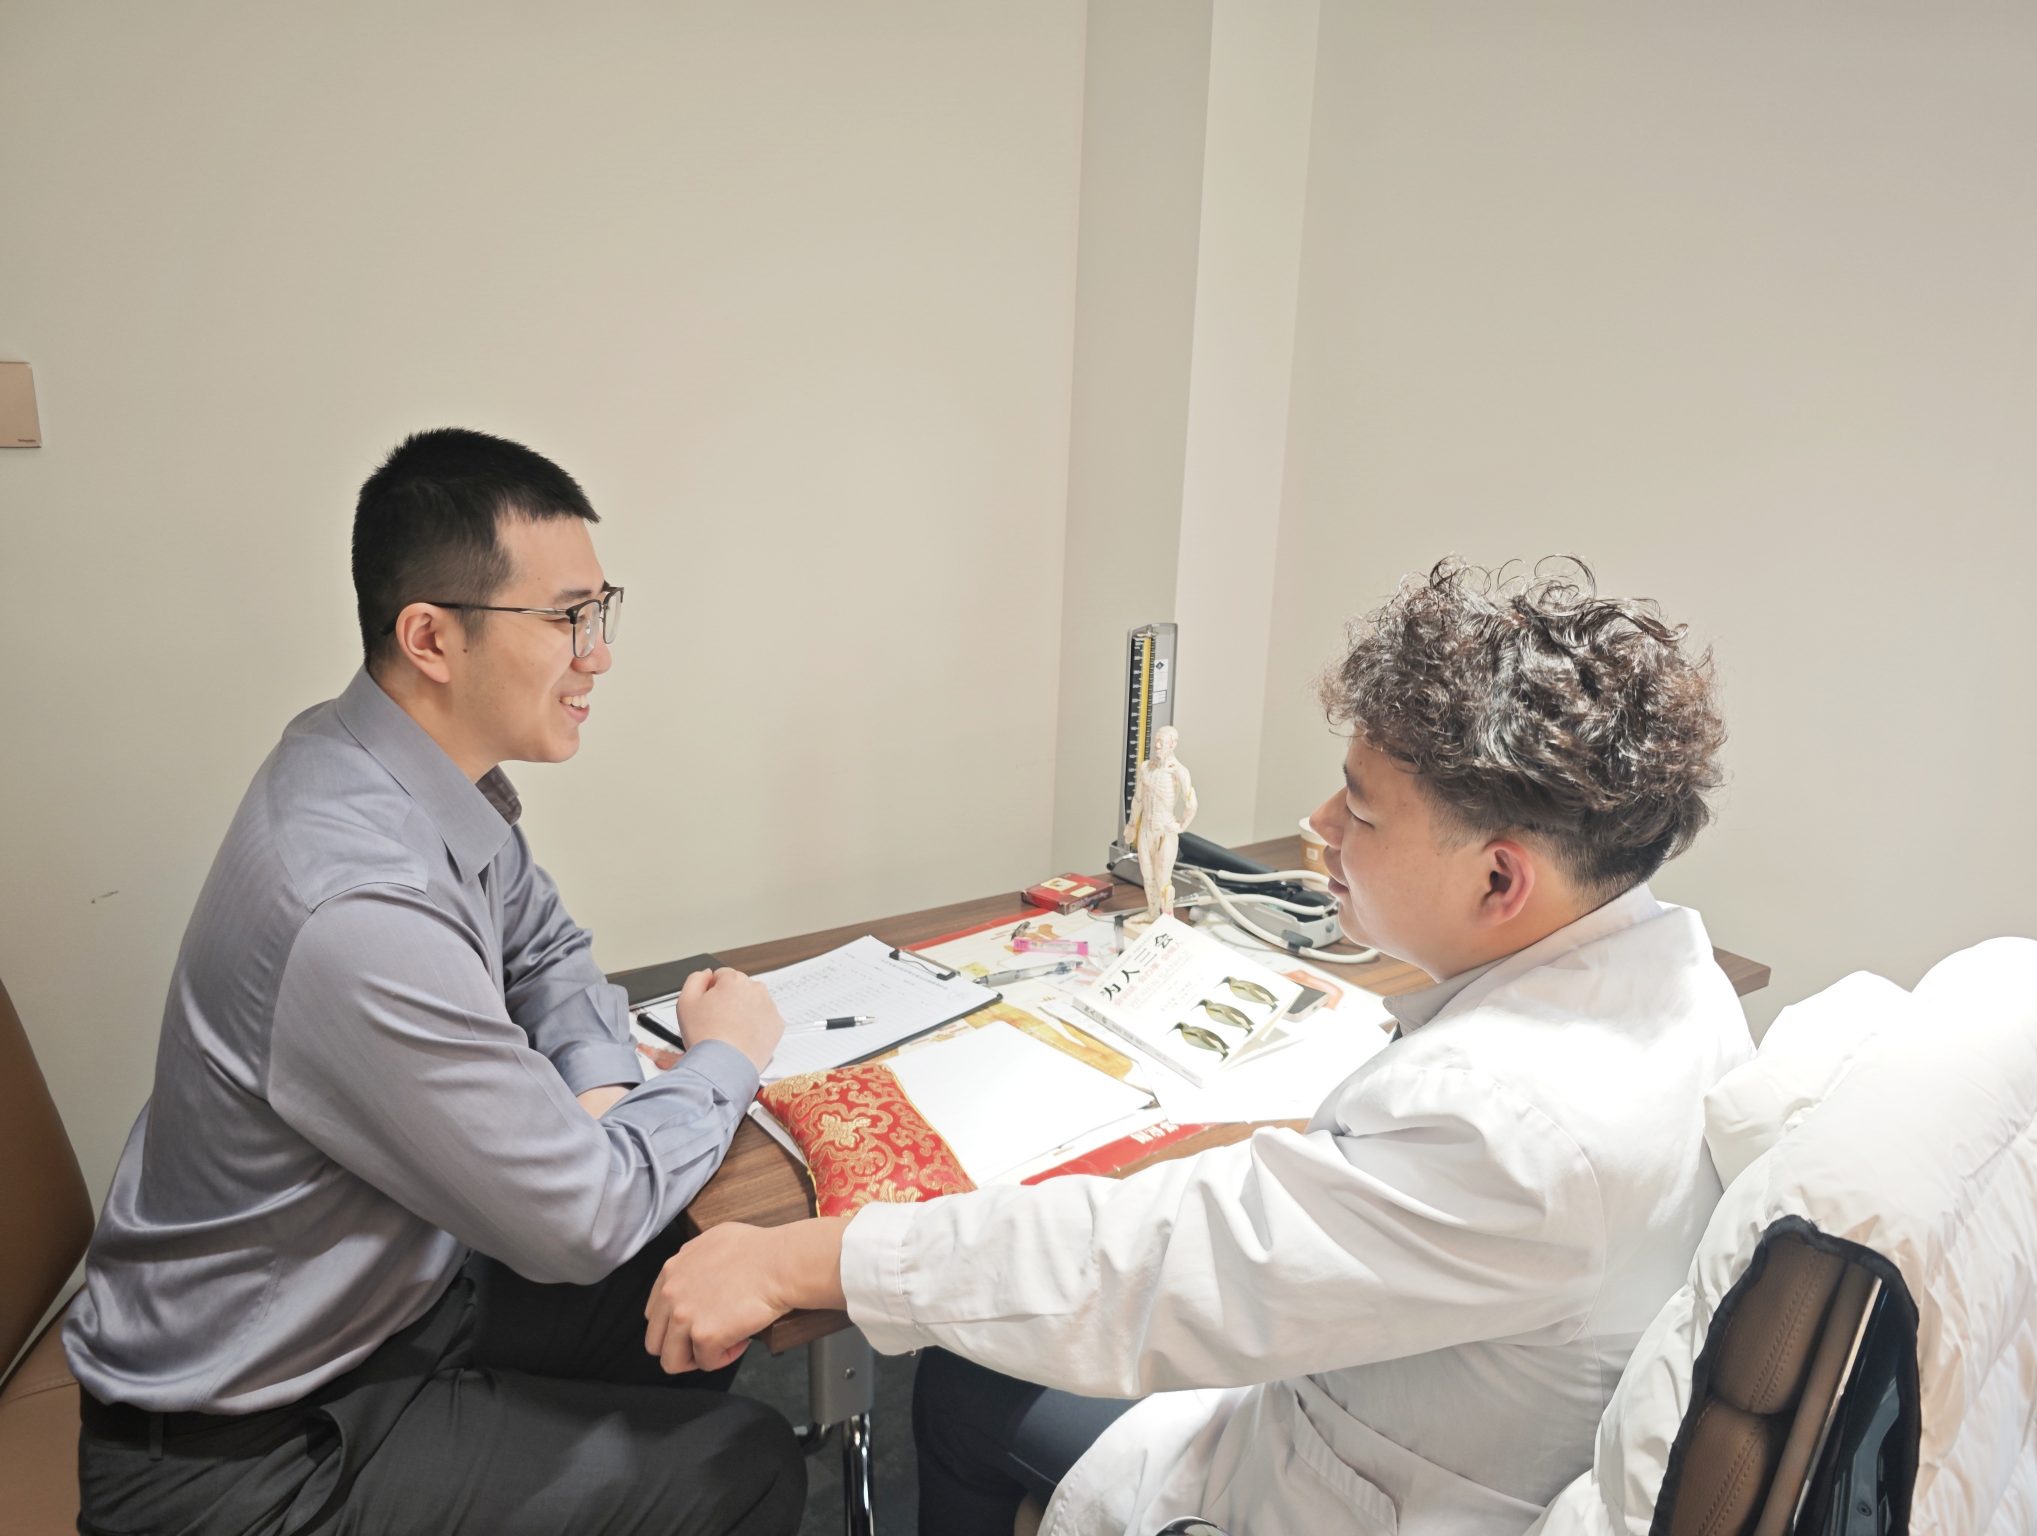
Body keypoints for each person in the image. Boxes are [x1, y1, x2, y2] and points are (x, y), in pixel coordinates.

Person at [643, 557, 1754, 1536]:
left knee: (965, 1383)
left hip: (1365, 1486)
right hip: (1427, 1388)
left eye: (1362, 811)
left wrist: (803, 1258)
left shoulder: (1509, 1128)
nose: (1320, 827)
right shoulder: (1676, 976)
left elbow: (1151, 1269)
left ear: (1500, 877)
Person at [65, 428, 805, 1536]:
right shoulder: (356, 906)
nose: (597, 655)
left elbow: (545, 949)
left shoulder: (388, 768)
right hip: (245, 1455)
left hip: (384, 1300)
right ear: (430, 638)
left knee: (685, 1291)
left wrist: (604, 1091)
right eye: (567, 618)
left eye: (600, 611)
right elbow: (585, 1215)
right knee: (742, 1464)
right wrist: (725, 1056)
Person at [1122, 725, 1198, 922]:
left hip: (1165, 830)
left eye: (1161, 742)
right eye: (1156, 741)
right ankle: (1152, 913)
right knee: (1147, 875)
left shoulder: (1179, 772)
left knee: (1163, 879)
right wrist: (1131, 825)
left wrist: (1181, 826)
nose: (1157, 745)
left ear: (1172, 744)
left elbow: (1191, 803)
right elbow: (1138, 799)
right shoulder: (1146, 767)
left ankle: (1166, 920)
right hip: (1146, 830)